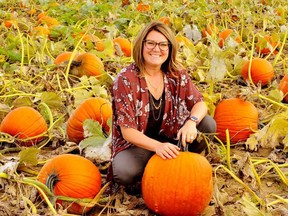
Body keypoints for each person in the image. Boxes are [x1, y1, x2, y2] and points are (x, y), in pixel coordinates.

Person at [109, 21, 216, 189]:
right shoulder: (126, 79)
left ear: (169, 48)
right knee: (124, 171)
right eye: (150, 43)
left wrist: (191, 122)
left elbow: (199, 104)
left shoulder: (175, 73)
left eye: (162, 44)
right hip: (139, 145)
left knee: (207, 124)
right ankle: (154, 172)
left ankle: (180, 165)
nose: (156, 49)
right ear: (141, 45)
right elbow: (128, 131)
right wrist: (157, 147)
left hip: (171, 136)